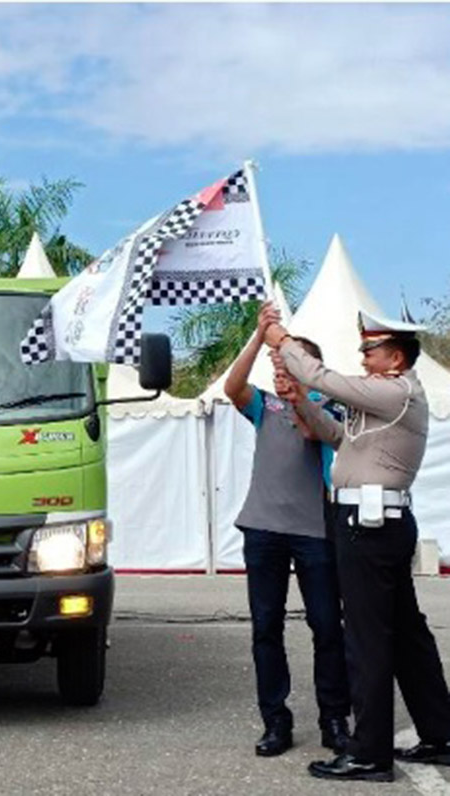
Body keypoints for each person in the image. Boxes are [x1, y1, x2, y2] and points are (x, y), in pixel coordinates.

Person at [265, 307, 450, 782]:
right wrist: (299, 399)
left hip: (369, 526)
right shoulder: (382, 403)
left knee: (366, 639)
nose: (364, 356)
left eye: (371, 350)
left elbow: (325, 378)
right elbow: (334, 436)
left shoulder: (395, 390)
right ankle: (440, 731)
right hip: (374, 522)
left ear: (395, 358)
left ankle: (369, 752)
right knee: (407, 634)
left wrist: (282, 339)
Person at [225, 312, 350, 759]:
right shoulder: (264, 404)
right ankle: (275, 719)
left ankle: (334, 717)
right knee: (266, 628)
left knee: (326, 626)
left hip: (315, 530)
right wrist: (259, 338)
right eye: (278, 364)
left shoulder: (329, 404)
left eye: (289, 363)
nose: (280, 371)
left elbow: (313, 432)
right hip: (262, 528)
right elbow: (231, 389)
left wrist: (299, 396)